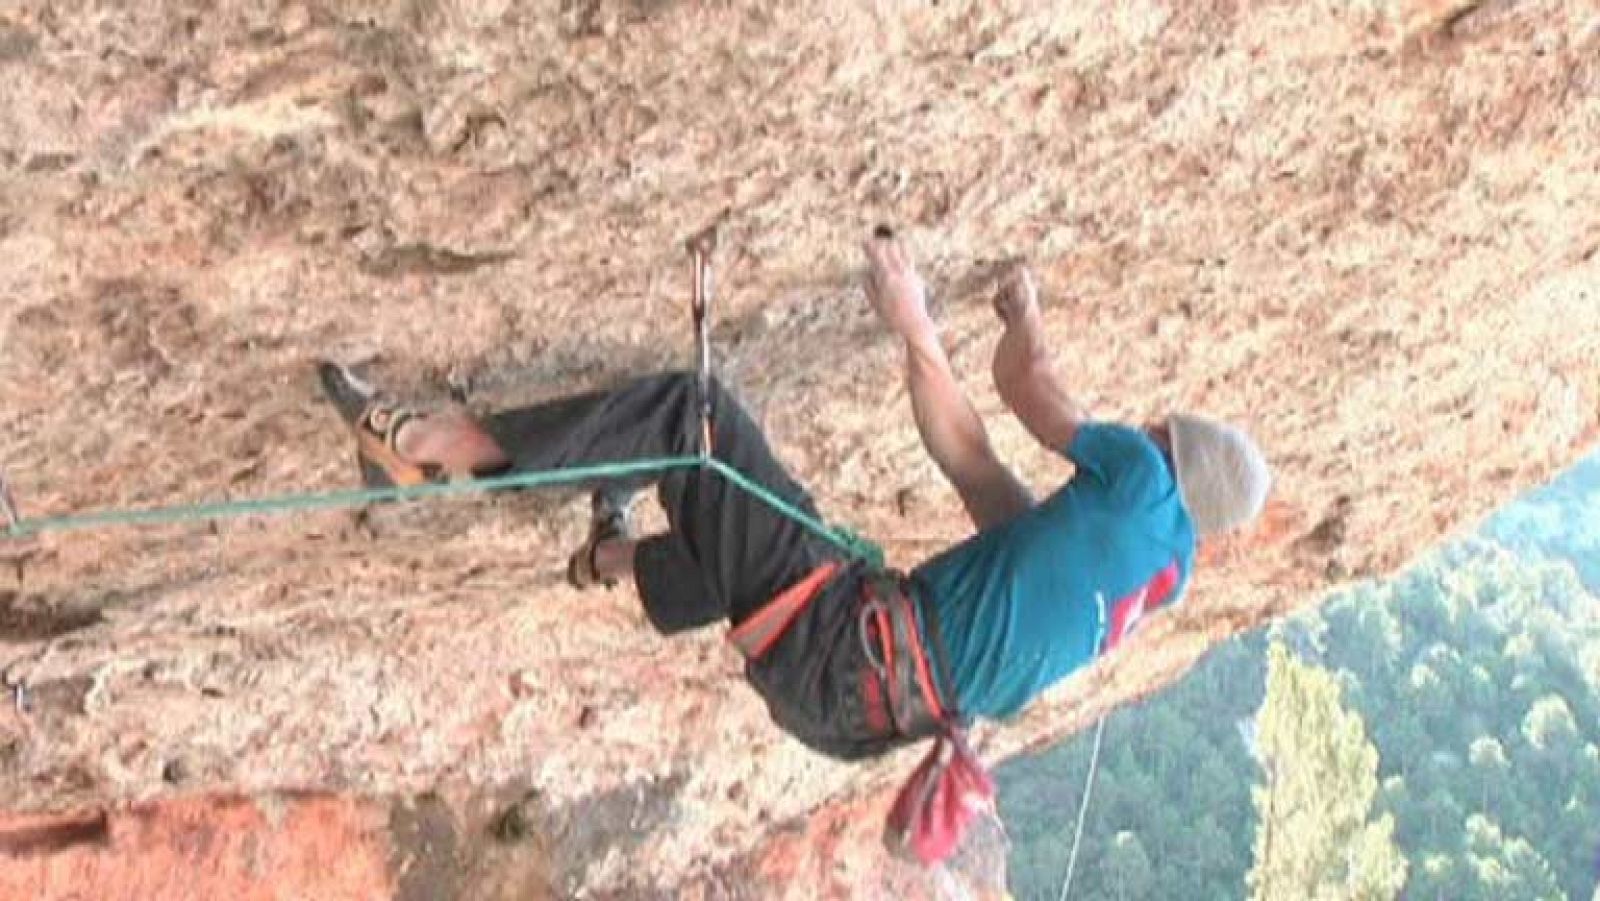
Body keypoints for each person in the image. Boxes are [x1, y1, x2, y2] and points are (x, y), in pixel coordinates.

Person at [317, 230, 1270, 761]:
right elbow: (975, 471)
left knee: (695, 421)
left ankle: (419, 451)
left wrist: (962, 315)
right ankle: (608, 555)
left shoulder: (1142, 484)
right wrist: (932, 338)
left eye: (1159, 432)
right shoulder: (1159, 574)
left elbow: (1027, 394)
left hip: (842, 640)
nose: (1144, 429)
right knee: (766, 523)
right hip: (853, 709)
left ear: (1168, 457)